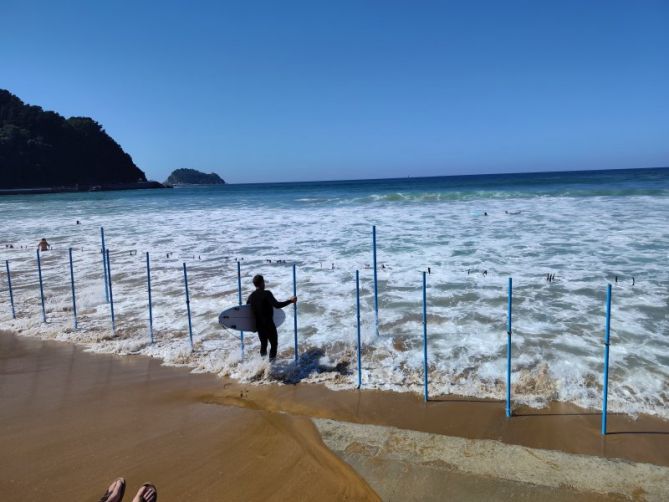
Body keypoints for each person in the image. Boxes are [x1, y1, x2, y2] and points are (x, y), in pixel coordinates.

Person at [246, 274, 297, 361]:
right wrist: (290, 301)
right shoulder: (267, 293)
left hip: (259, 326)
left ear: (255, 284)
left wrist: (252, 327)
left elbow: (247, 310)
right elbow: (277, 305)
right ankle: (271, 365)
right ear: (262, 283)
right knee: (274, 344)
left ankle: (262, 364)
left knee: (263, 345)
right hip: (268, 324)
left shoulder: (251, 297)